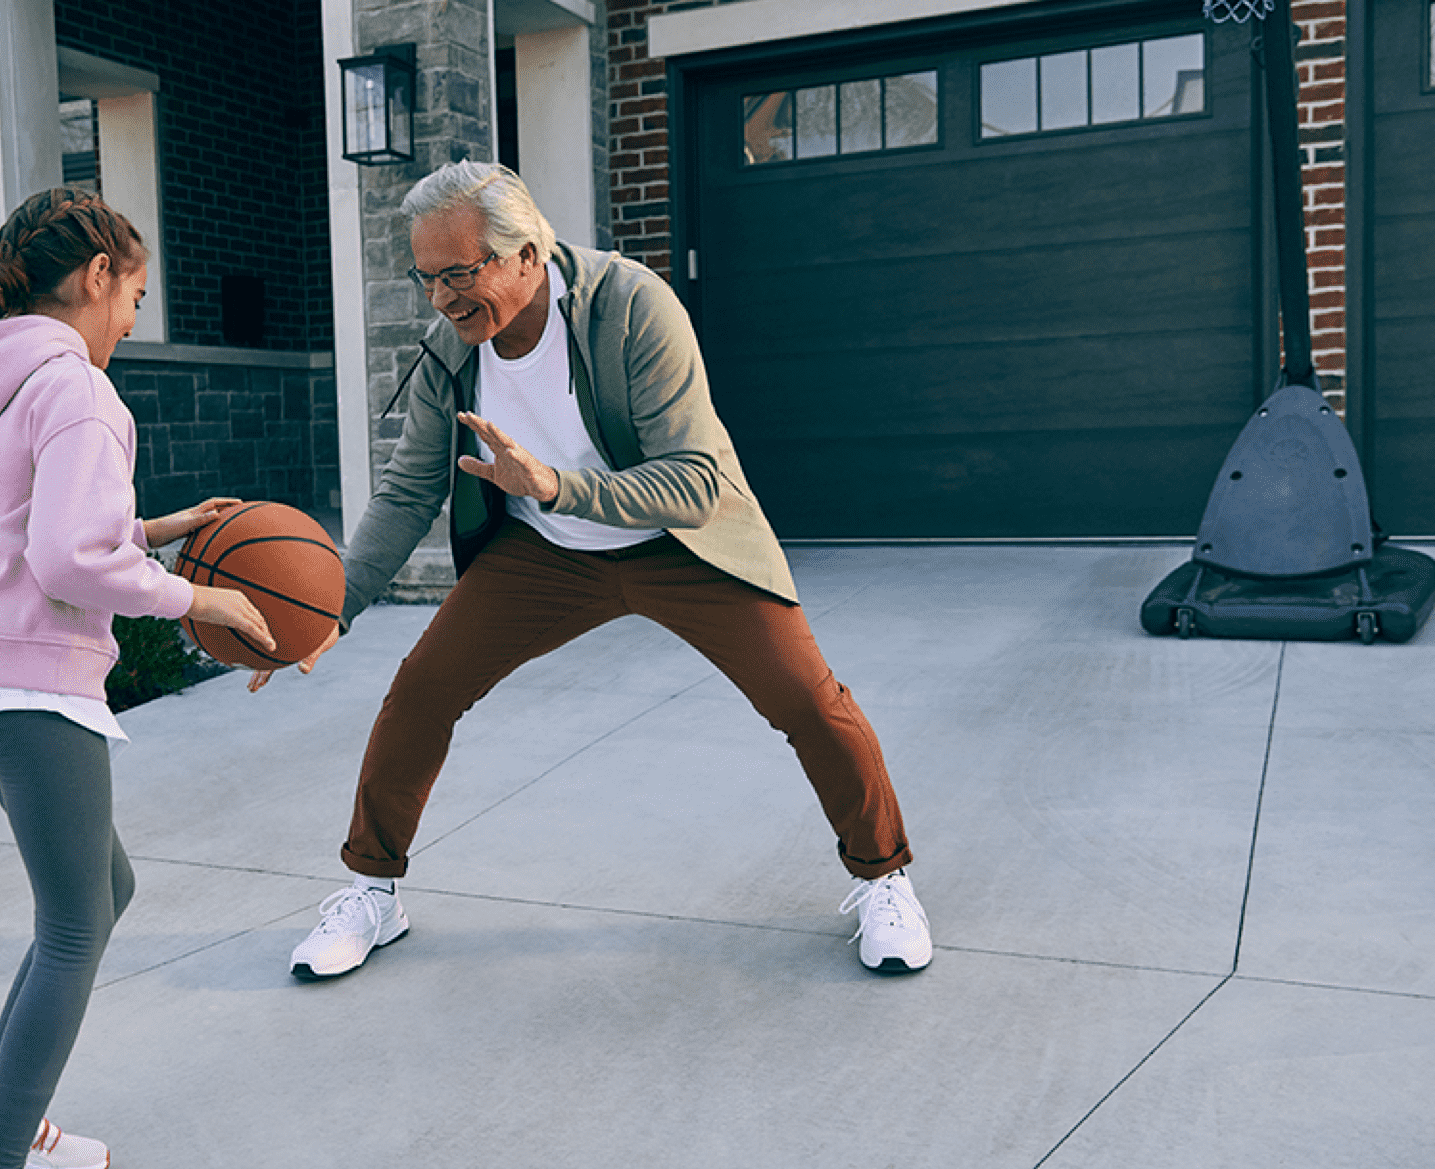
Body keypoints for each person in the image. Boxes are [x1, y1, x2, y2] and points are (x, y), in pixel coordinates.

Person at [254, 161, 932, 980]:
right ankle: (371, 890)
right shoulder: (450, 348)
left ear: (527, 255)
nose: (441, 297)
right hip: (545, 556)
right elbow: (406, 490)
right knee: (423, 690)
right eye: (426, 276)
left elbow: (694, 480)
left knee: (809, 702)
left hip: (682, 547)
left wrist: (552, 484)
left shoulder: (632, 305)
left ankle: (883, 878)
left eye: (460, 274)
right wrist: (337, 605)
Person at [0, 188, 273, 1169]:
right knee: (75, 925)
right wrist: (199, 599)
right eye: (135, 294)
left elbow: (30, 531)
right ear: (98, 275)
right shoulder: (78, 389)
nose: (135, 319)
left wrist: (153, 532)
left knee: (106, 886)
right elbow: (65, 562)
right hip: (29, 683)